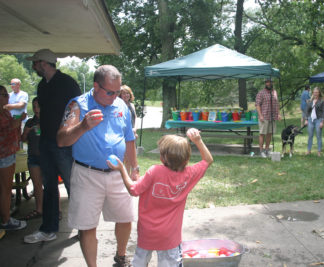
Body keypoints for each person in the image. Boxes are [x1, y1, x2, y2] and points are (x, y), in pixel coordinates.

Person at [56, 65, 139, 267]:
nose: (114, 96)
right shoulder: (78, 105)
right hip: (87, 174)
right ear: (95, 86)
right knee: (87, 225)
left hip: (118, 174)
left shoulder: (121, 106)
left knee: (125, 217)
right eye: (109, 92)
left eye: (118, 91)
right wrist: (83, 125)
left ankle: (121, 257)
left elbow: (129, 139)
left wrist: (134, 168)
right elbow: (61, 140)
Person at [107, 128, 213, 267]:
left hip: (147, 233)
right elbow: (208, 160)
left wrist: (122, 169)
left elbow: (134, 189)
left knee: (139, 262)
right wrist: (197, 140)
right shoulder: (189, 174)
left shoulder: (154, 171)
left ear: (162, 158)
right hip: (170, 237)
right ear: (187, 159)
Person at [24, 49, 81, 243]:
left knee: (73, 185)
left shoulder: (67, 83)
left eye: (35, 63)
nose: (33, 66)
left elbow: (79, 109)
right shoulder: (42, 86)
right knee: (49, 186)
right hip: (46, 142)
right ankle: (48, 228)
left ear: (44, 63)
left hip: (65, 144)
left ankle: (83, 228)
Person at [0, 85, 27, 230]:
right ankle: (5, 220)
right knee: (6, 188)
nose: (7, 98)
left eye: (6, 95)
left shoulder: (5, 112)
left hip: (8, 152)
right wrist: (20, 118)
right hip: (4, 155)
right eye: (4, 95)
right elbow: (10, 126)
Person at [20, 97, 43, 220]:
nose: (36, 109)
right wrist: (26, 132)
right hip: (33, 157)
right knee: (37, 185)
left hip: (47, 157)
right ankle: (39, 209)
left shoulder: (49, 120)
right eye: (34, 106)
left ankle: (57, 210)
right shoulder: (30, 122)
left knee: (51, 185)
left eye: (38, 106)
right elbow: (22, 139)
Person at [256, 78, 281, 158]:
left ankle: (267, 150)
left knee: (270, 133)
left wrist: (279, 114)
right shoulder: (261, 93)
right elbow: (257, 105)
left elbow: (277, 104)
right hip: (264, 116)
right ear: (265, 83)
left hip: (272, 116)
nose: (268, 84)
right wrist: (260, 115)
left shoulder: (274, 92)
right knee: (262, 134)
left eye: (270, 82)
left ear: (272, 83)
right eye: (267, 82)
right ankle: (261, 150)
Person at [305, 87, 324, 156]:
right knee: (310, 135)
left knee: (318, 135)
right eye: (314, 92)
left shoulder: (322, 101)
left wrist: (322, 122)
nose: (315, 94)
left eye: (317, 92)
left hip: (318, 119)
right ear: (312, 93)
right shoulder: (310, 101)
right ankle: (308, 150)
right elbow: (307, 111)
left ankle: (319, 151)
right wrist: (306, 119)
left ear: (319, 93)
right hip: (310, 119)